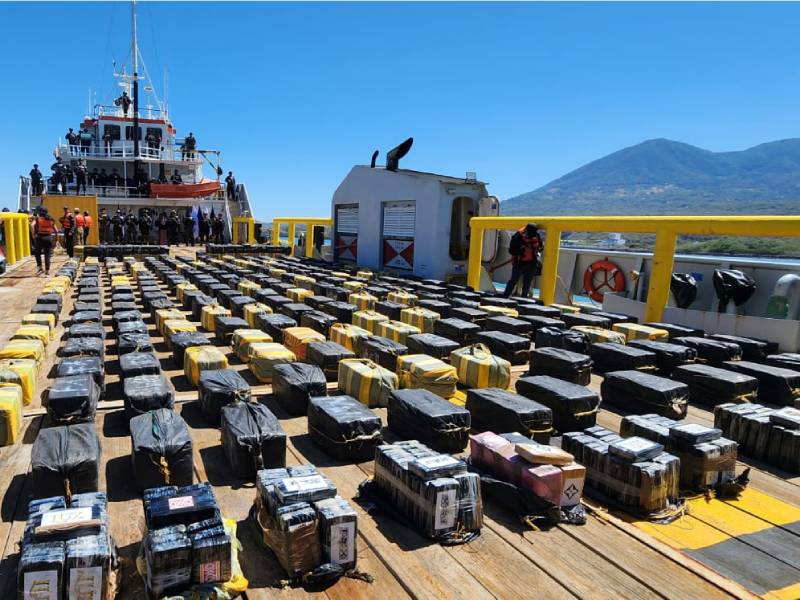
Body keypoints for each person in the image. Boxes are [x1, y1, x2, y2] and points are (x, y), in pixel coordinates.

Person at [503, 223, 542, 299]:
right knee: (513, 281)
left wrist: (536, 249)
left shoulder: (536, 236)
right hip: (519, 262)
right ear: (526, 231)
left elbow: (541, 247)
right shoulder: (517, 236)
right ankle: (505, 296)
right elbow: (511, 250)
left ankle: (523, 299)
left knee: (527, 283)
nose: (531, 235)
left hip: (532, 263)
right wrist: (522, 250)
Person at [33, 207, 57, 275]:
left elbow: (32, 225)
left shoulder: (38, 219)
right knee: (47, 254)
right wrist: (56, 239)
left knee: (37, 253)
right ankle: (47, 271)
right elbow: (56, 231)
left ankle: (40, 267)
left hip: (40, 237)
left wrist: (34, 235)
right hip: (48, 238)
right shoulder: (51, 219)